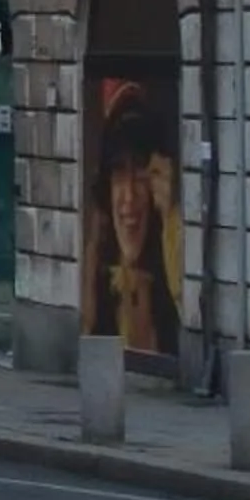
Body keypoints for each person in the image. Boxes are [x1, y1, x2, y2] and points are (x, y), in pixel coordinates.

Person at [82, 82, 181, 358]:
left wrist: (171, 219)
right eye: (118, 174)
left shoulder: (172, 267)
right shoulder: (98, 277)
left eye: (140, 175)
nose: (128, 198)